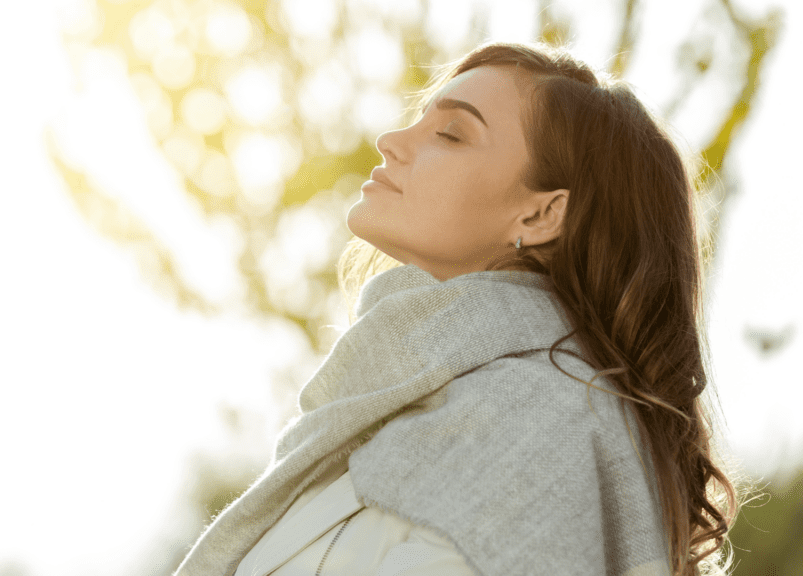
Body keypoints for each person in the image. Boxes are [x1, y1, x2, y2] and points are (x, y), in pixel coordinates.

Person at [174, 41, 751, 576]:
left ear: (539, 216)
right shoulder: (406, 409)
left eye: (450, 133)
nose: (391, 141)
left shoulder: (538, 422)